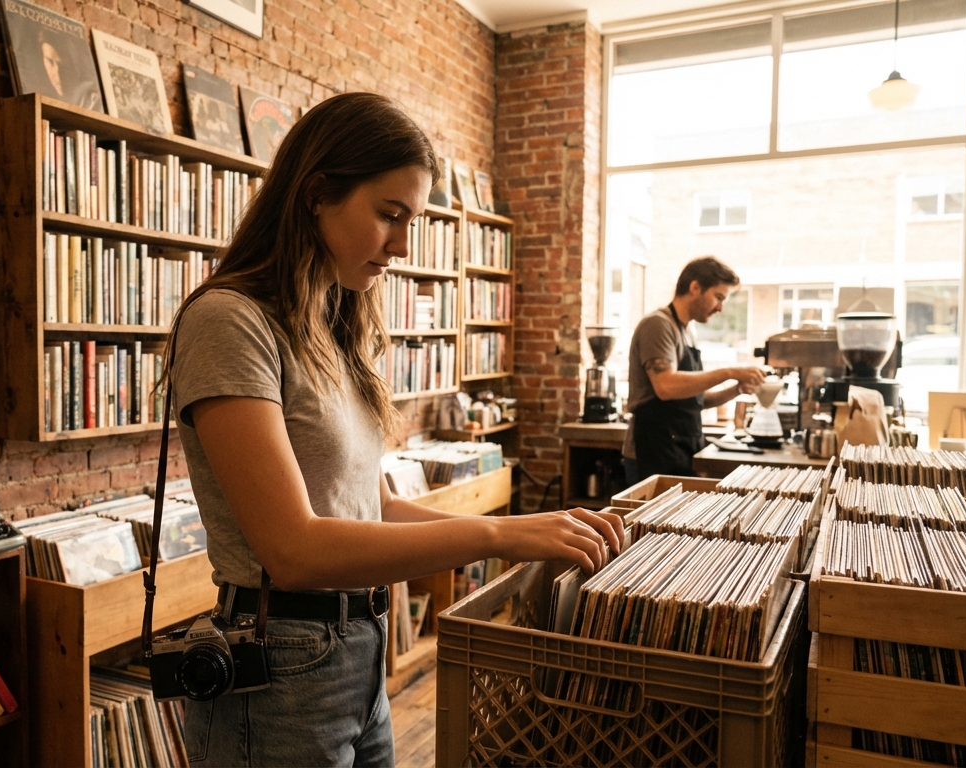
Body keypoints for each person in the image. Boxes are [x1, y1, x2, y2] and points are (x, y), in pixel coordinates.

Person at [164, 92, 625, 766]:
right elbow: (293, 550)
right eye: (390, 216)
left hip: (361, 648)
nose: (404, 246)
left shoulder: (334, 326)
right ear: (317, 193)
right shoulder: (229, 321)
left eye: (413, 221)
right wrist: (502, 533)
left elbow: (373, 508)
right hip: (281, 662)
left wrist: (535, 529)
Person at [621, 256, 766, 485]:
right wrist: (729, 372)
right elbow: (666, 387)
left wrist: (737, 390)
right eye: (718, 297)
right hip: (652, 450)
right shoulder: (658, 325)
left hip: (680, 450)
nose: (720, 308)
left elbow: (696, 399)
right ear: (695, 287)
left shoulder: (688, 331)